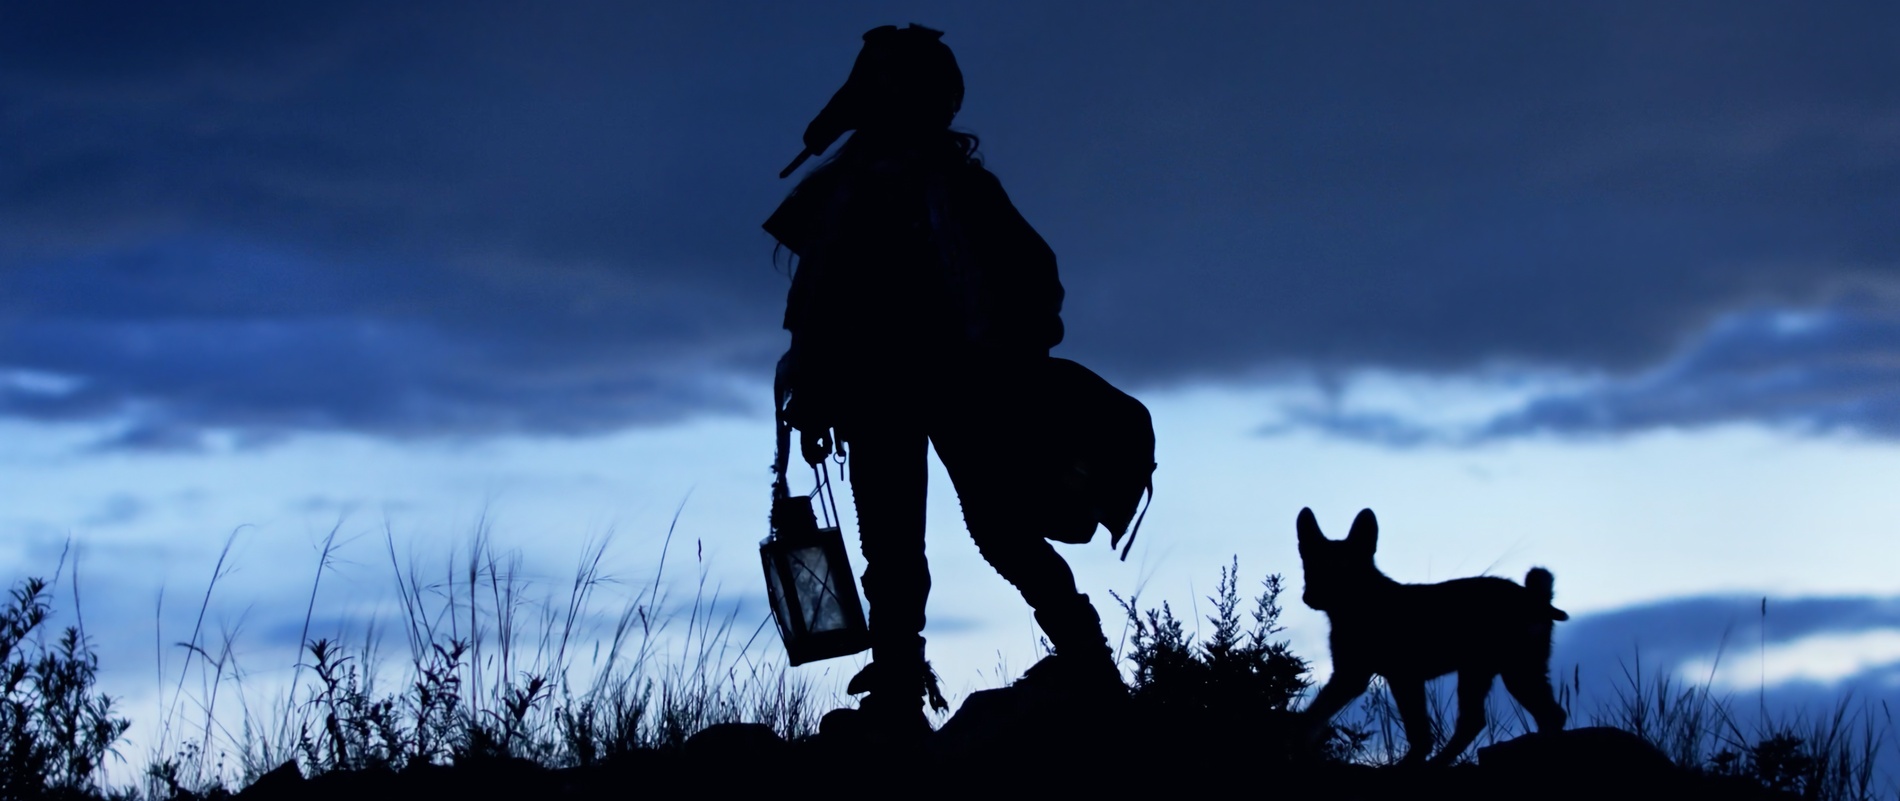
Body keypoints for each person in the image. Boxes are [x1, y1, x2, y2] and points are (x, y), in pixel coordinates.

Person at [764, 24, 1122, 735]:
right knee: (928, 542)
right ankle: (910, 686)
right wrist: (813, 384)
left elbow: (816, 308)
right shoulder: (876, 191)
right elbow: (817, 308)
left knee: (980, 534)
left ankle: (1070, 663)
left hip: (952, 387)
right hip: (901, 390)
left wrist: (1012, 357)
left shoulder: (903, 190)